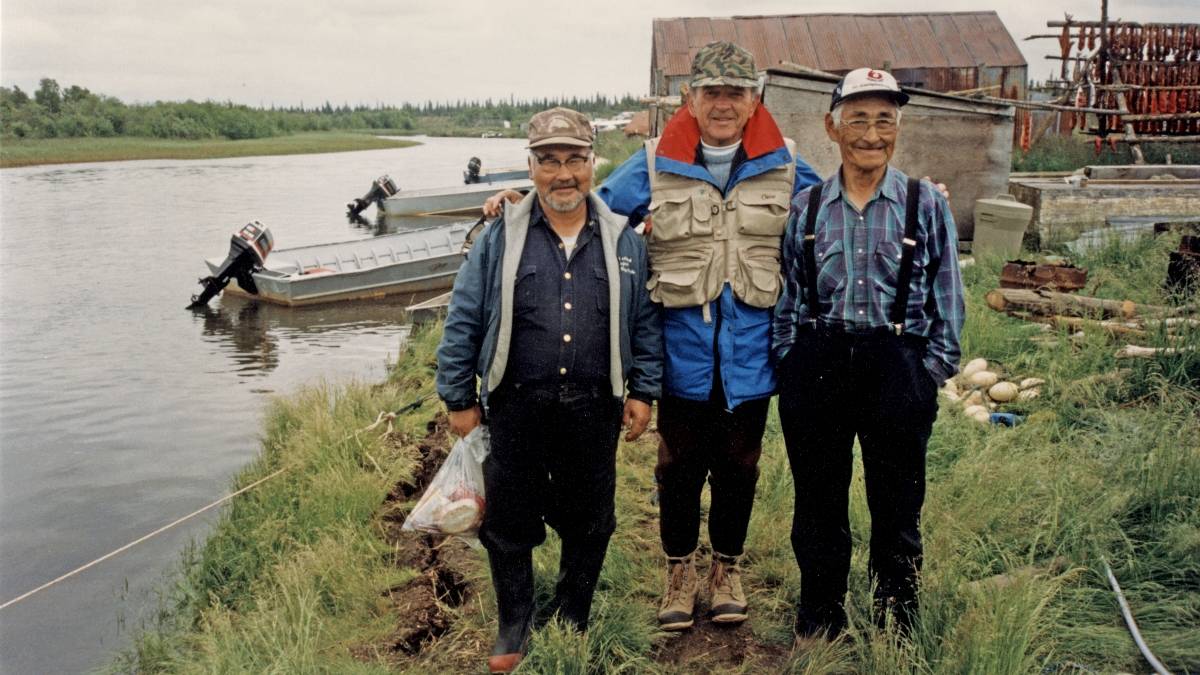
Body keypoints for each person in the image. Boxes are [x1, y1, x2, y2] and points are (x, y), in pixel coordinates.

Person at [481, 41, 822, 630]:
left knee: (741, 465)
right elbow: (587, 207)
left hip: (752, 353)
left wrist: (921, 194)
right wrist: (519, 199)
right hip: (679, 350)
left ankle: (727, 570)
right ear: (690, 99)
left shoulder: (787, 162)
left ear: (753, 99)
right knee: (678, 466)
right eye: (710, 92)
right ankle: (678, 571)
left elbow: (838, 206)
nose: (721, 104)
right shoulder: (653, 159)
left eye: (734, 93)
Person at [436, 107, 662, 673]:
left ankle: (573, 612)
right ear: (531, 167)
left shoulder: (624, 241)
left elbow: (643, 323)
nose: (564, 174)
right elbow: (463, 314)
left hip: (595, 407)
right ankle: (514, 621)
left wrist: (644, 390)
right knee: (510, 522)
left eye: (575, 160)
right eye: (549, 161)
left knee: (591, 519)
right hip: (514, 407)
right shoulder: (499, 235)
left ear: (592, 163)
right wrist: (458, 396)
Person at [772, 68, 965, 640]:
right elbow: (790, 295)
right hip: (820, 363)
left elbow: (948, 293)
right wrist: (790, 359)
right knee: (818, 506)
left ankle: (896, 621)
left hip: (897, 367)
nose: (871, 134)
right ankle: (821, 617)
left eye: (885, 120)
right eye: (857, 119)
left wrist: (931, 372)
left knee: (897, 508)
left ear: (898, 129)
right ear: (832, 127)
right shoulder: (807, 209)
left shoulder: (924, 203)